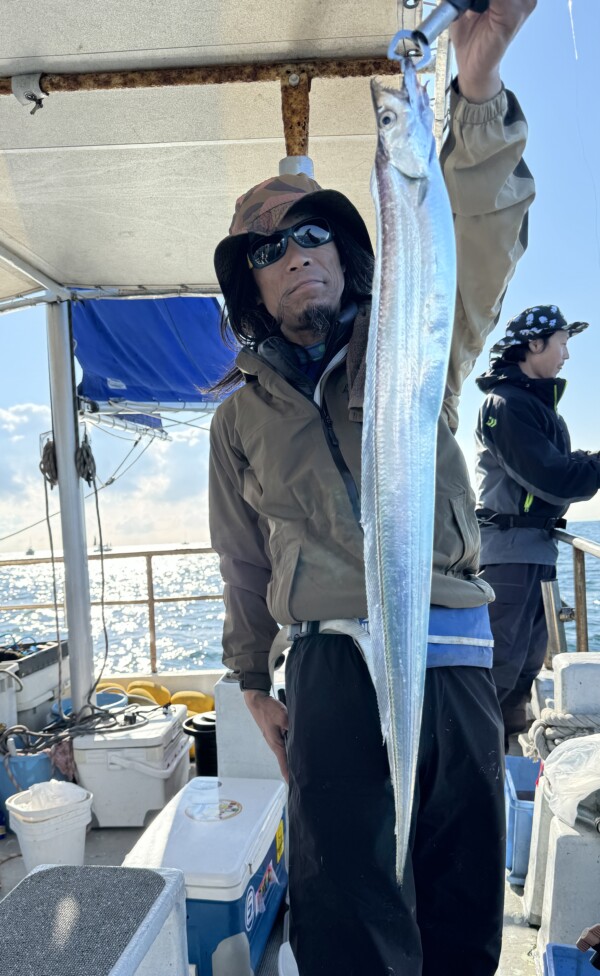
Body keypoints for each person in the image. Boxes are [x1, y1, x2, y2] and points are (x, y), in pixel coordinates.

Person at [209, 2, 536, 973]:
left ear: (347, 252)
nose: (297, 251)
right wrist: (249, 679)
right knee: (349, 921)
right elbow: (242, 559)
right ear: (249, 290)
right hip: (328, 680)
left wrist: (473, 91)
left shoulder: (415, 342)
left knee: (458, 911)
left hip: (448, 659)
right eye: (269, 248)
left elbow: (479, 237)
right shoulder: (238, 423)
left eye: (312, 231)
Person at [475, 305, 600, 746]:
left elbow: (559, 468)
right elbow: (551, 477)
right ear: (534, 344)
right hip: (508, 552)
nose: (566, 355)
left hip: (536, 549)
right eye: (562, 344)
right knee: (501, 660)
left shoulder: (531, 404)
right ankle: (475, 750)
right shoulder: (505, 404)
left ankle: (511, 738)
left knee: (528, 659)